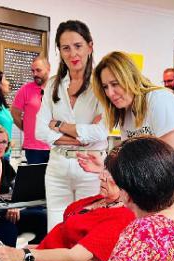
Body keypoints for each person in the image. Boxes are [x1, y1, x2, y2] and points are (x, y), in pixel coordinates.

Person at [80, 51, 174, 231]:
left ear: (129, 77)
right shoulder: (125, 113)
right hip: (161, 180)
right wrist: (106, 168)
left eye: (115, 84)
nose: (110, 93)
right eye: (105, 87)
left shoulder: (159, 100)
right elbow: (132, 157)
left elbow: (172, 160)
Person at [0, 166, 135, 261]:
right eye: (105, 169)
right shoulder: (101, 200)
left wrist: (20, 255)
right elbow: (67, 238)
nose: (102, 176)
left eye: (112, 174)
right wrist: (35, 249)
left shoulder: (122, 217)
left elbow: (76, 260)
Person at [36, 20, 108, 231]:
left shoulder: (101, 85)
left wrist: (58, 124)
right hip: (57, 167)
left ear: (90, 46)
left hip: (91, 168)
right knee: (56, 230)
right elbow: (39, 130)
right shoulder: (53, 84)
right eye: (65, 48)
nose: (72, 54)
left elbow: (101, 131)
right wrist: (82, 136)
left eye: (78, 46)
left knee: (86, 231)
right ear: (59, 51)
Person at [11, 56, 52, 164]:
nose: (35, 74)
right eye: (33, 71)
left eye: (38, 70)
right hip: (34, 149)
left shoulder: (57, 89)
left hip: (55, 147)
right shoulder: (25, 89)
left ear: (48, 69)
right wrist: (27, 129)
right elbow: (15, 114)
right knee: (35, 180)